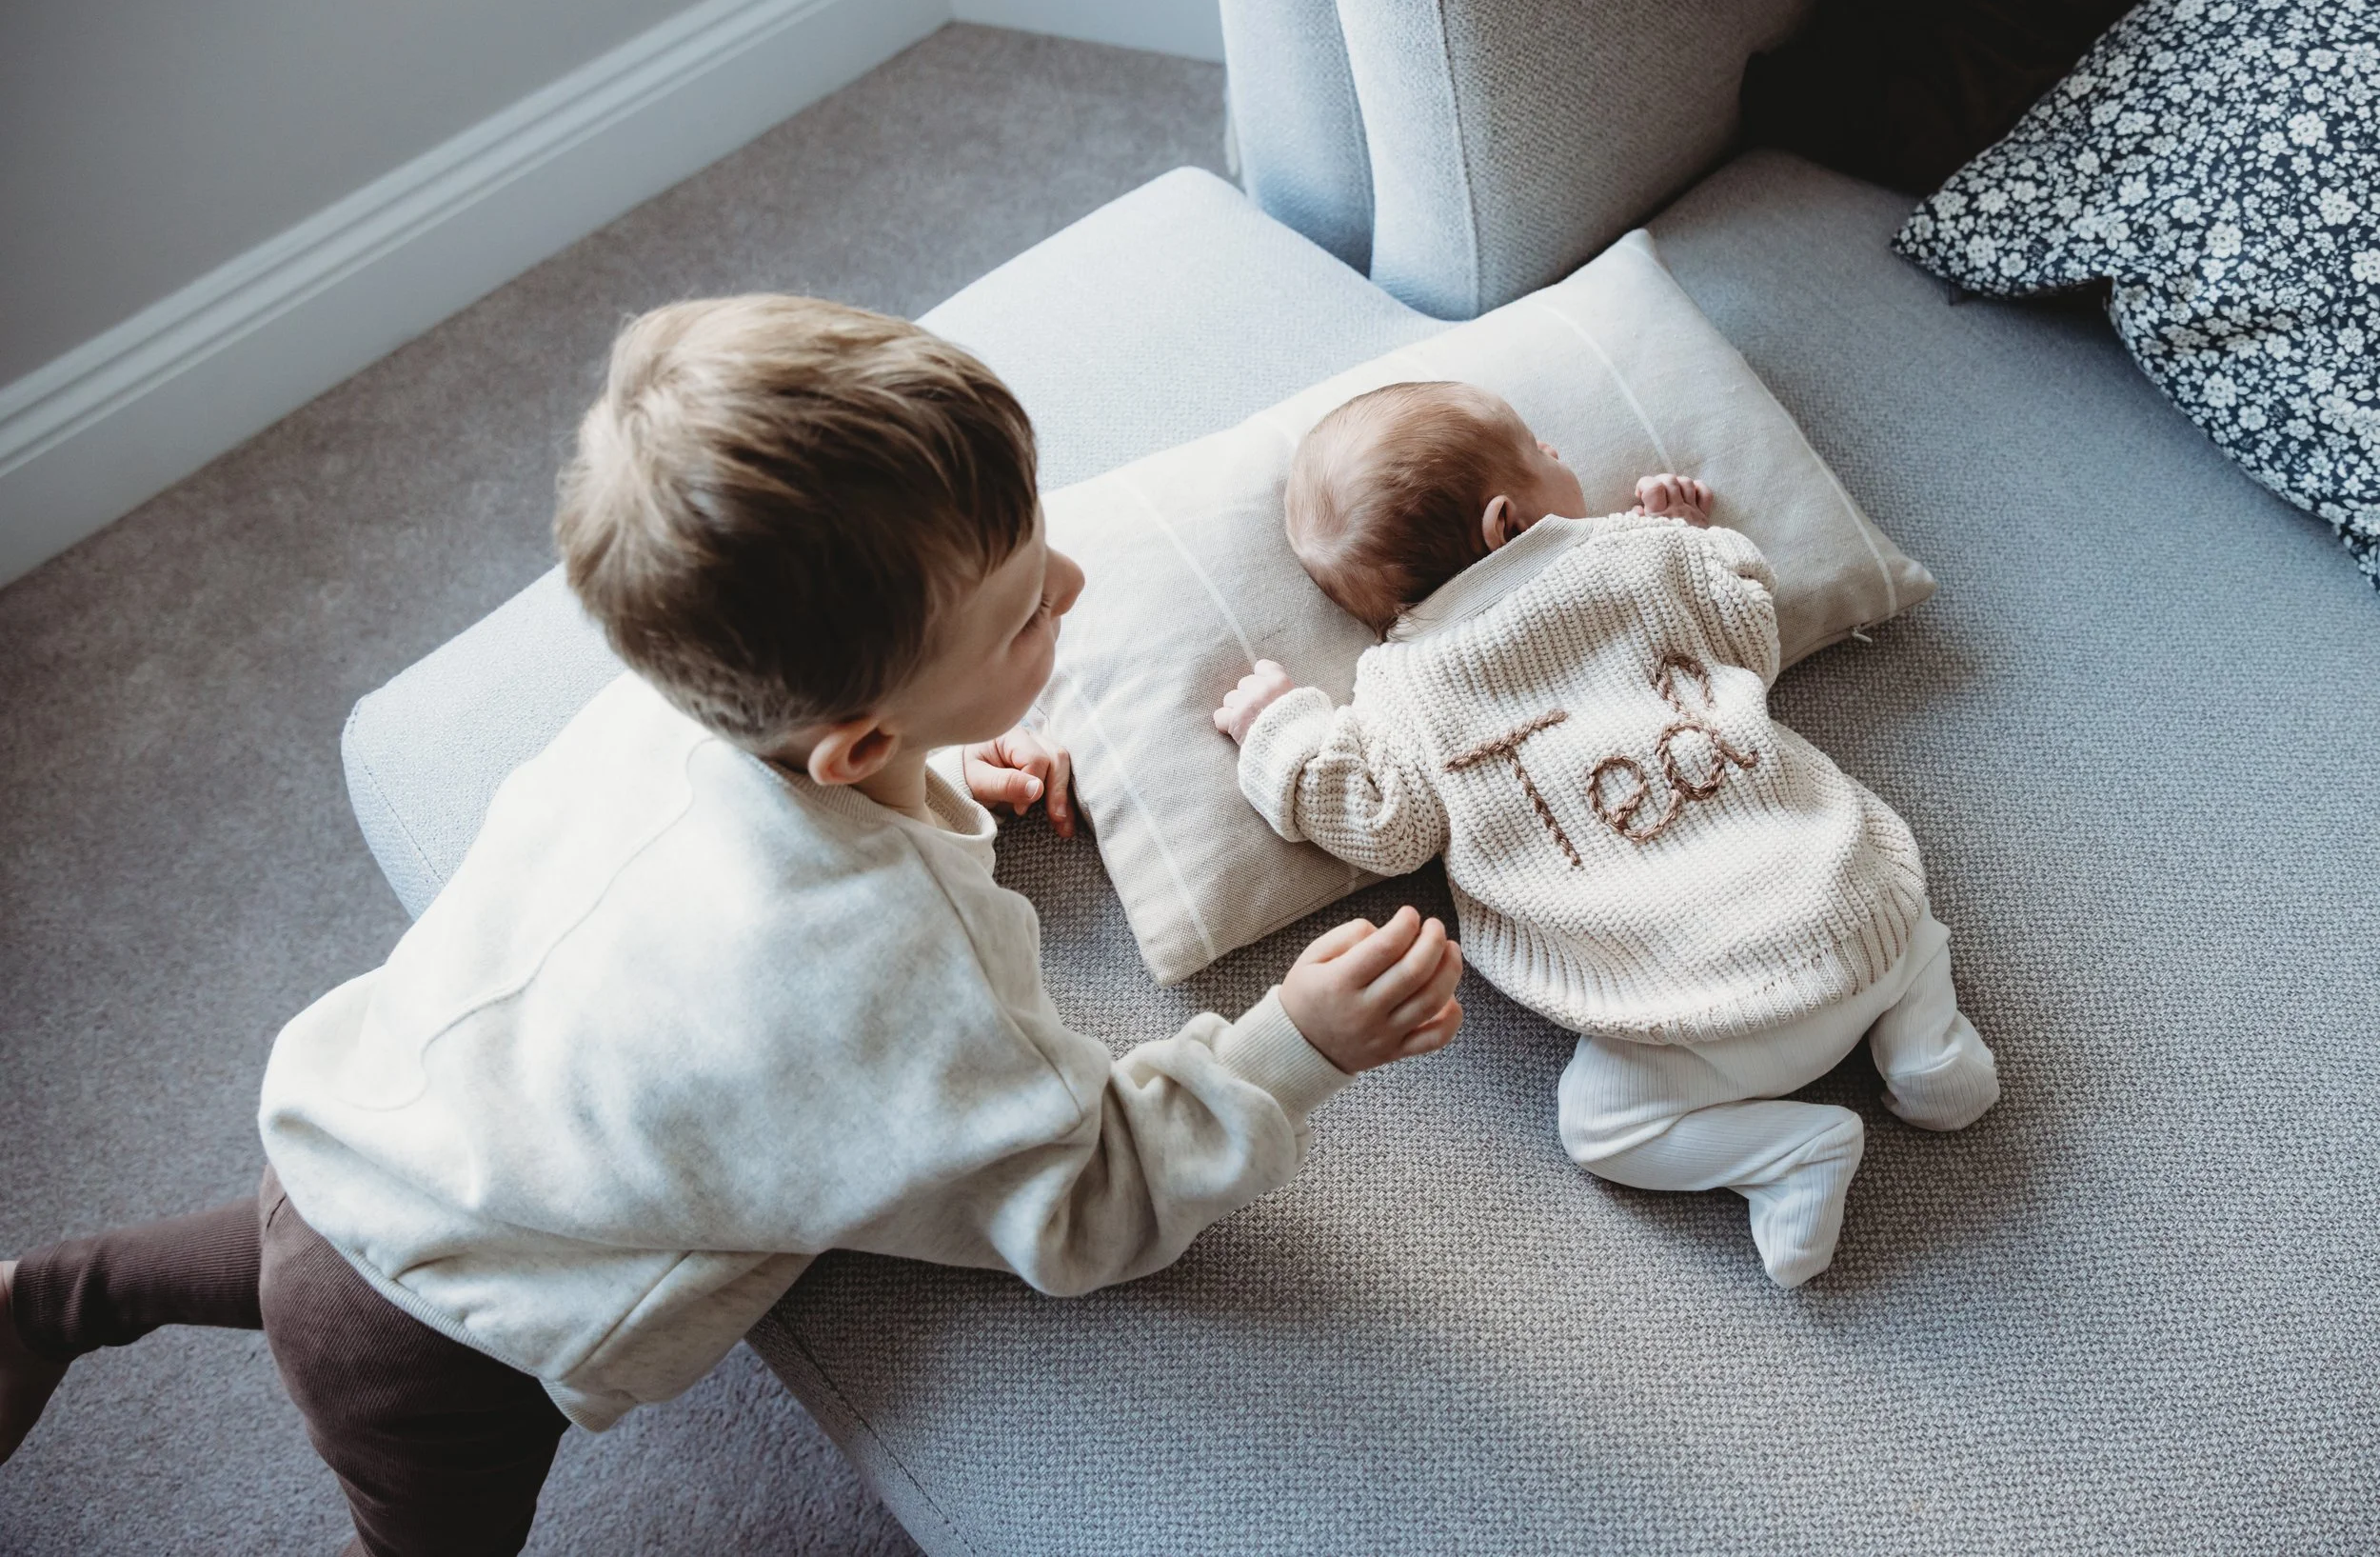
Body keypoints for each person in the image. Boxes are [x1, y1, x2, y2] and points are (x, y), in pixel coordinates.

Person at [0, 297, 1466, 1554]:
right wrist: (1290, 1049)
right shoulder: (896, 966)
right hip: (451, 1348)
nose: (1074, 588)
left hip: (349, 1132)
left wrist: (938, 763)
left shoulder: (667, 707)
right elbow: (1086, 1198)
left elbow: (771, 820)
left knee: (277, 1259)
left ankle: (47, 1299)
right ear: (846, 745)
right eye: (1025, 616)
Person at [1213, 380, 1997, 1288]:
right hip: (1849, 917)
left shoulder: (1404, 686)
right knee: (1895, 897)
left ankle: (1787, 1151)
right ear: (1506, 521)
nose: (1561, 452)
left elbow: (1384, 824)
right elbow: (1747, 633)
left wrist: (1281, 731)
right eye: (1544, 451)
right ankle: (1927, 1043)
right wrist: (1689, 543)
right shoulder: (1633, 555)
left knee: (1601, 1128)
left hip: (1696, 1020)